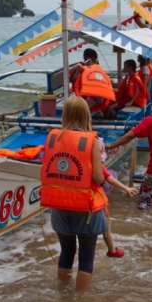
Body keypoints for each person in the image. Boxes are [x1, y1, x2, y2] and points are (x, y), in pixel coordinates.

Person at [40, 95, 110, 292]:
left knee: (67, 251)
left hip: (59, 205)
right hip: (85, 206)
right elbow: (97, 177)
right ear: (86, 115)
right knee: (86, 256)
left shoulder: (53, 137)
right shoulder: (91, 141)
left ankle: (63, 294)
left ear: (65, 115)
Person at [69, 48, 115, 113]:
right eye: (94, 60)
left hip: (95, 96)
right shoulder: (94, 68)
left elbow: (111, 81)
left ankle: (95, 114)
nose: (94, 62)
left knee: (84, 109)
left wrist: (70, 69)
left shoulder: (89, 68)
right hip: (91, 95)